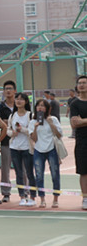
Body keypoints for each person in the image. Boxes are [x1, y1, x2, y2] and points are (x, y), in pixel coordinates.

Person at [30, 98, 62, 208]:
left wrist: (51, 123)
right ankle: (42, 199)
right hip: (39, 150)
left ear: (47, 108)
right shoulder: (33, 122)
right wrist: (35, 128)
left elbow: (59, 135)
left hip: (52, 149)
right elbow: (34, 139)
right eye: (38, 106)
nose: (40, 108)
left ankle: (55, 199)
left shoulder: (53, 119)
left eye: (43, 106)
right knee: (39, 175)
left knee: (55, 174)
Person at [7, 92, 36, 206]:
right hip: (14, 147)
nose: (18, 101)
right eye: (17, 99)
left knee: (29, 173)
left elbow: (33, 131)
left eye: (21, 99)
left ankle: (32, 196)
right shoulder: (12, 115)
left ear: (26, 101)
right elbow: (8, 130)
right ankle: (22, 196)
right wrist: (12, 133)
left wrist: (22, 130)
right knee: (18, 173)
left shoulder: (30, 115)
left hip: (27, 147)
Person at [0, 80, 16, 202]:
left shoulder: (21, 104)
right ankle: (6, 193)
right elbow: (0, 124)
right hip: (6, 142)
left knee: (23, 169)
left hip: (21, 143)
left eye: (10, 88)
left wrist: (7, 122)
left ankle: (25, 192)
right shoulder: (0, 107)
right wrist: (12, 123)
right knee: (5, 170)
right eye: (6, 88)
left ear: (15, 91)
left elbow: (26, 121)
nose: (8, 91)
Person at [69, 75, 87, 210]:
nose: (81, 85)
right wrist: (79, 122)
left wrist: (83, 120)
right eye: (79, 83)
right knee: (83, 172)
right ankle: (85, 198)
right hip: (82, 142)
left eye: (84, 83)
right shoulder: (75, 104)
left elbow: (79, 121)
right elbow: (74, 123)